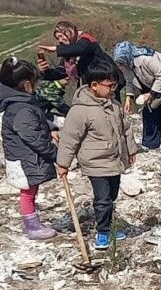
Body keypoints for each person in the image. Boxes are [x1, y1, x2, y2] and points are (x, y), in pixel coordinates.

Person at [56, 61, 137, 250]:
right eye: (109, 86)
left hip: (115, 161)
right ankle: (102, 231)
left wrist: (131, 149)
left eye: (114, 85)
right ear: (94, 85)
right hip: (96, 164)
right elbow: (69, 139)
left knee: (112, 195)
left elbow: (126, 129)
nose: (113, 90)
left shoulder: (115, 106)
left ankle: (108, 225)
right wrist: (63, 163)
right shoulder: (80, 111)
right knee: (102, 199)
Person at [0, 58, 59, 240]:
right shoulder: (21, 107)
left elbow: (35, 120)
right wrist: (55, 155)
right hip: (25, 158)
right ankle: (32, 226)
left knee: (31, 189)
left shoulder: (19, 103)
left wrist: (50, 127)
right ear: (27, 85)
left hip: (24, 156)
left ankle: (32, 222)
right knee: (28, 191)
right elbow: (33, 136)